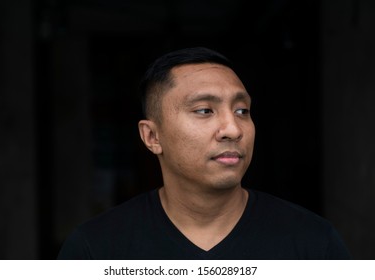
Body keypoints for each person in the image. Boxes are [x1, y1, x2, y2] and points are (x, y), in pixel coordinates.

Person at [57, 47, 352, 260]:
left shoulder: (314, 243)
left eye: (242, 110)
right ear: (152, 136)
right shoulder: (95, 249)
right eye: (204, 110)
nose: (233, 129)